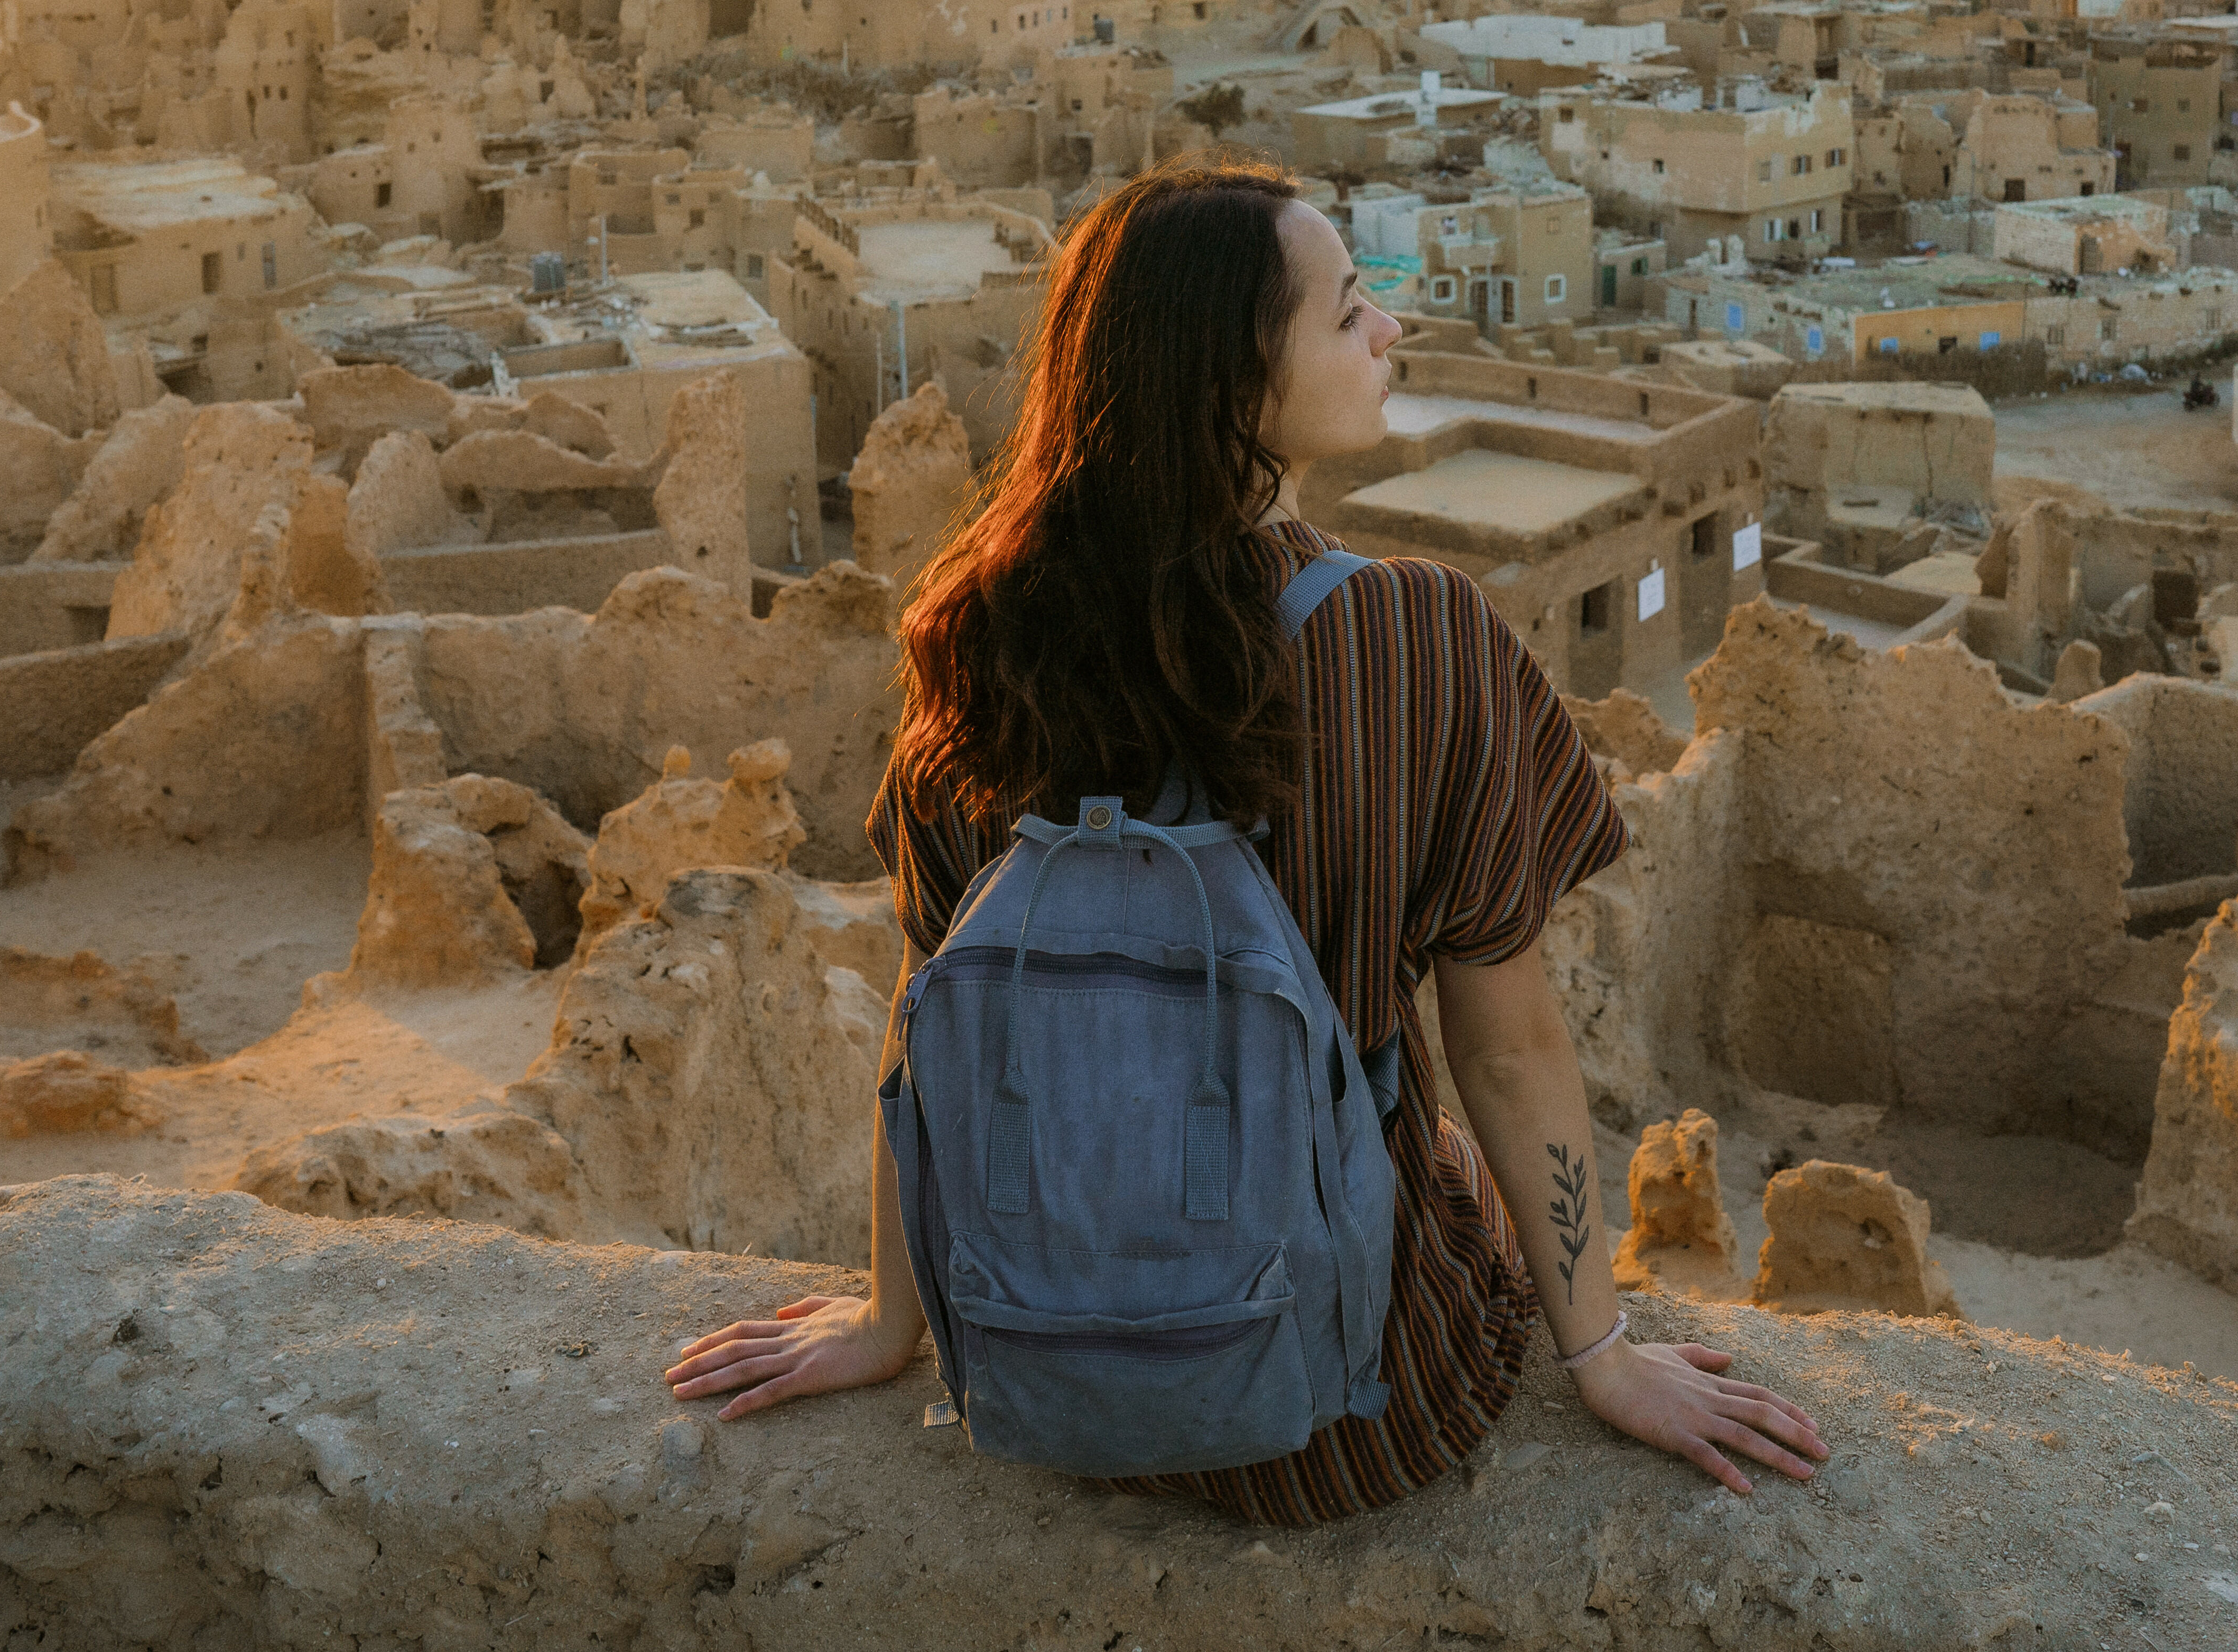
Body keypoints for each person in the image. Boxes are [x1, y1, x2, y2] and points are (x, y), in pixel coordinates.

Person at [667, 162, 1827, 1520]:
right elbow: (1508, 1049)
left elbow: (930, 1022)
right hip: (1354, 1400)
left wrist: (887, 1322)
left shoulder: (976, 639)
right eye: (1346, 316)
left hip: (1040, 1370)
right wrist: (1604, 1354)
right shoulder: (1416, 638)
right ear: (1235, 383)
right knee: (1435, 1149)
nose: (1388, 332)